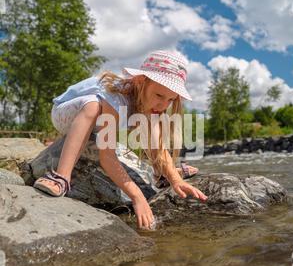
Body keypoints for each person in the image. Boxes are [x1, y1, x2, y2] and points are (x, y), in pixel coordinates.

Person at [33, 50, 207, 229]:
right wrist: (137, 197)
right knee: (93, 105)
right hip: (67, 115)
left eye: (170, 100)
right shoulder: (115, 97)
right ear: (140, 81)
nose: (164, 105)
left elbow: (159, 147)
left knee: (152, 125)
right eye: (159, 96)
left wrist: (176, 180)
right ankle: (61, 177)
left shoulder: (149, 103)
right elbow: (107, 157)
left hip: (97, 124)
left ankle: (161, 175)